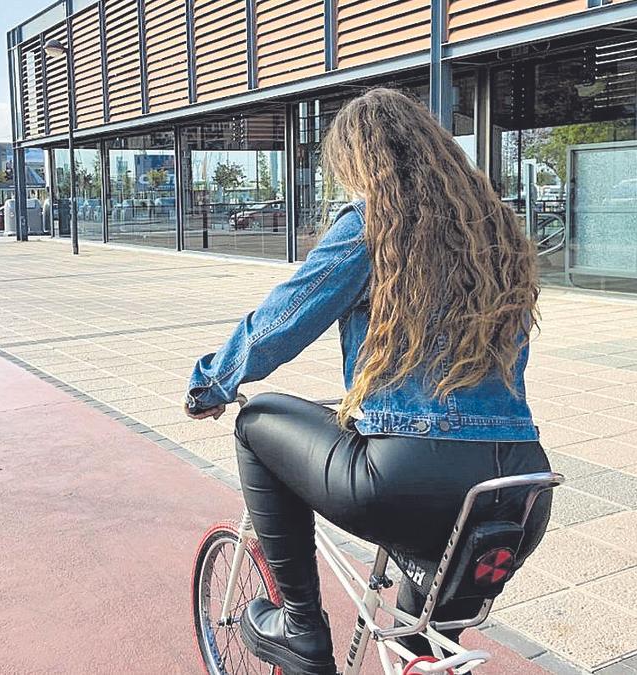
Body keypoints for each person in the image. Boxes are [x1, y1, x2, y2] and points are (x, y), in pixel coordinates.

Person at [184, 89, 551, 674]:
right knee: (421, 640)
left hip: (411, 477)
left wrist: (212, 383)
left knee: (258, 423)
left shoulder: (373, 225)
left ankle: (301, 627)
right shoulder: (496, 233)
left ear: (362, 161)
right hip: (520, 489)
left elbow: (283, 320)